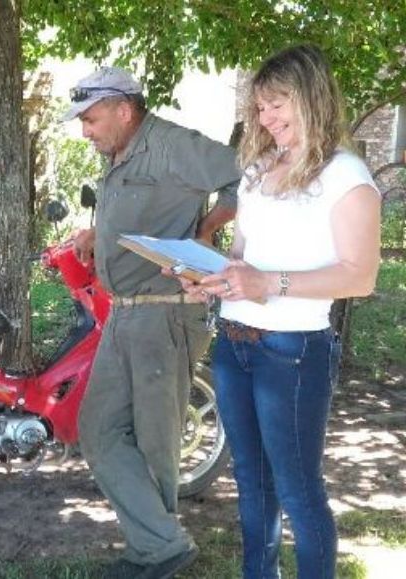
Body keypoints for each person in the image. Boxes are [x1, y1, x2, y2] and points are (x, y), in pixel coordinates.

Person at [176, 45, 380, 578]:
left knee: (299, 491)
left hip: (292, 353)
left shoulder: (347, 176)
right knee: (251, 481)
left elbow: (360, 275)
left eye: (277, 105)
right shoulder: (258, 169)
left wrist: (269, 283)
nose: (266, 120)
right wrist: (212, 277)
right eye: (260, 109)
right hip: (235, 344)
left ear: (310, 98)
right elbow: (243, 258)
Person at [64, 66, 240, 578]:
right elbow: (140, 210)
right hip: (123, 312)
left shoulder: (170, 144)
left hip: (166, 312)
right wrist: (101, 233)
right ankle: (161, 543)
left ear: (123, 109)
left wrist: (204, 229)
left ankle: (155, 553)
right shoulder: (120, 150)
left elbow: (245, 177)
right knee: (97, 431)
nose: (86, 130)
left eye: (91, 119)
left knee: (155, 441)